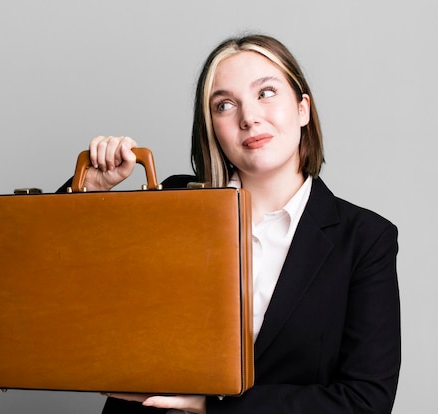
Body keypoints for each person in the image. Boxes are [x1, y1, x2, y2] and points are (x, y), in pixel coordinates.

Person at [69, 34, 401, 413]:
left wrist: (211, 406)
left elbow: (366, 402)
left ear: (303, 108)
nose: (249, 117)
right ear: (212, 127)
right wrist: (86, 192)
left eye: (267, 92)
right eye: (224, 105)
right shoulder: (170, 203)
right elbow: (62, 289)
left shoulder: (364, 240)